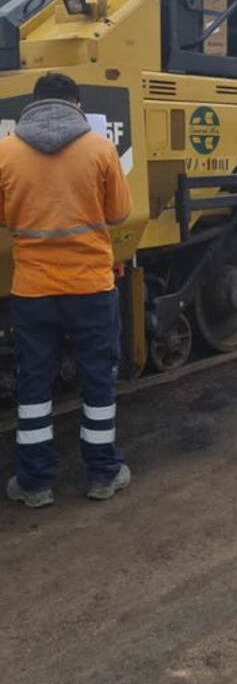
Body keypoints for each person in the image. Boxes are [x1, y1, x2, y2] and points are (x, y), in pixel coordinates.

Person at [0, 73, 132, 507]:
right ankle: (103, 474)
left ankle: (35, 483)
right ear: (76, 104)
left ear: (33, 104)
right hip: (90, 287)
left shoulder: (6, 151)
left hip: (33, 290)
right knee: (98, 381)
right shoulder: (99, 147)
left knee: (34, 385)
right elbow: (119, 213)